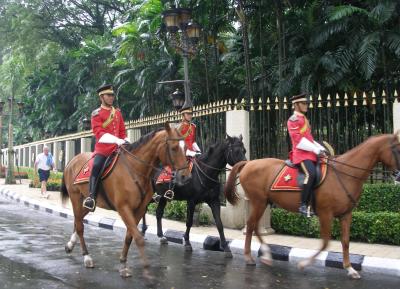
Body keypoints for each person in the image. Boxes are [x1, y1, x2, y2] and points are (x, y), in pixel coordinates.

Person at [82, 84, 129, 211]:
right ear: (102, 97)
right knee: (96, 166)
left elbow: (122, 131)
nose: (111, 97)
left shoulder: (117, 113)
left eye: (112, 95)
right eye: (109, 95)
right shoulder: (96, 114)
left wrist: (125, 139)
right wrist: (116, 140)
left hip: (118, 149)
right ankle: (91, 197)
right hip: (103, 150)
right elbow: (99, 133)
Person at [287, 93, 326, 217]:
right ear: (296, 105)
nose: (306, 106)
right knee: (311, 174)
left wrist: (320, 148)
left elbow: (308, 138)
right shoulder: (293, 120)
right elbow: (298, 141)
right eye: (304, 103)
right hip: (300, 155)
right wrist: (315, 150)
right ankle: (303, 205)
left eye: (307, 103)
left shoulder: (304, 119)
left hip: (310, 154)